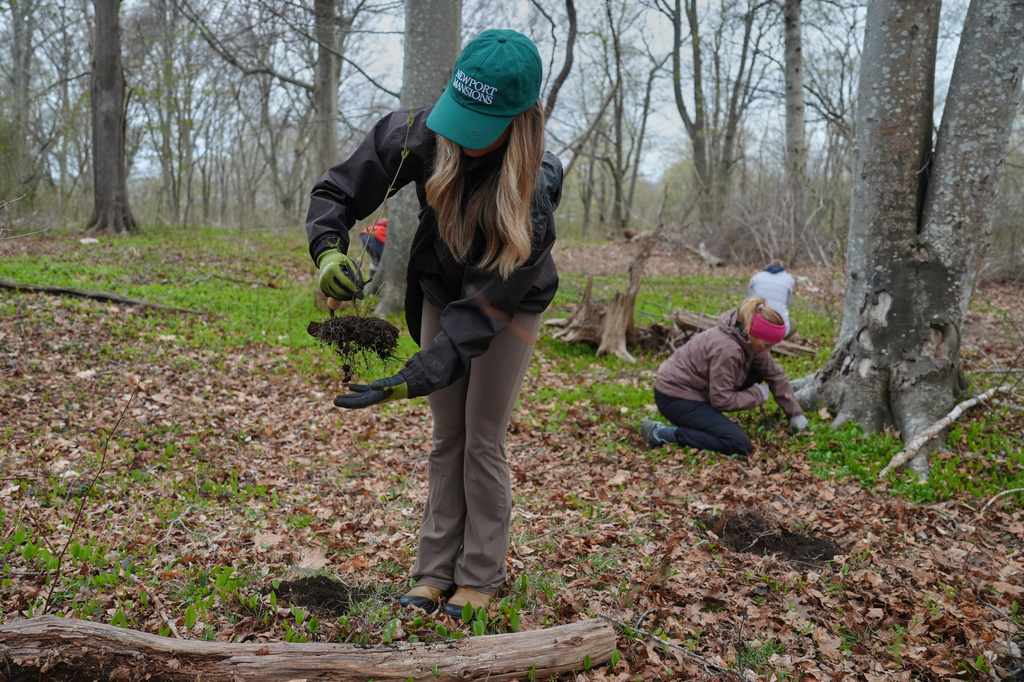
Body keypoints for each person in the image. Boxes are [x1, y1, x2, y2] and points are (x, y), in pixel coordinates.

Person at [304, 29, 562, 622]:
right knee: (448, 432)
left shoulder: (535, 195)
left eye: (483, 124)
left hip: (506, 303)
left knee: (482, 432)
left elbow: (483, 313)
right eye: (460, 115)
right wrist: (328, 252)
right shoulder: (417, 134)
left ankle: (480, 574)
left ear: (521, 121)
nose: (463, 138)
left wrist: (418, 372)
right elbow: (337, 191)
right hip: (442, 284)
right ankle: (432, 572)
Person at [641, 297, 808, 457]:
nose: (769, 350)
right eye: (767, 345)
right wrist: (758, 395)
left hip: (699, 388)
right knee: (737, 443)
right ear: (751, 334)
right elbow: (721, 400)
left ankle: (705, 419)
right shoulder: (728, 349)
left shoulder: (747, 336)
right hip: (675, 397)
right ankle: (661, 433)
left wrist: (795, 413)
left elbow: (775, 374)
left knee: (760, 371)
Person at [748, 263, 796, 338]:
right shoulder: (789, 279)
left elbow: (750, 300)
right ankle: (774, 341)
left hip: (755, 328)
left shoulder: (756, 277)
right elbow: (787, 303)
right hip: (779, 331)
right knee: (793, 322)